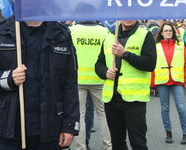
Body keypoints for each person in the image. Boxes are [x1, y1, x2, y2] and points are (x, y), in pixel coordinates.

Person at [0, 16, 79, 149]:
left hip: (50, 130)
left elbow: (70, 84)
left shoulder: (61, 34)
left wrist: (69, 125)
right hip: (8, 129)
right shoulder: (3, 31)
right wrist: (8, 79)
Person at [95, 20, 157, 150]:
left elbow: (150, 64)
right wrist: (105, 72)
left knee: (138, 143)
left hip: (134, 99)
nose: (127, 17)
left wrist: (125, 54)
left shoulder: (145, 35)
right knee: (117, 142)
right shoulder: (110, 36)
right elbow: (98, 64)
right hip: (111, 98)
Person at [70, 20, 111, 150]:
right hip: (99, 78)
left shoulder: (72, 30)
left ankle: (81, 147)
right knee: (103, 114)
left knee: (79, 115)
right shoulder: (104, 31)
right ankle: (108, 146)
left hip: (78, 78)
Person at [152, 22, 186, 145]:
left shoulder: (180, 45)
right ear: (161, 33)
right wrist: (152, 84)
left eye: (170, 30)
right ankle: (168, 133)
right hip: (162, 81)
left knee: (181, 107)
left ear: (174, 32)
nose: (168, 32)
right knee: (165, 108)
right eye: (166, 30)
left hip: (177, 81)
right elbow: (152, 67)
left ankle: (185, 134)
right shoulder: (156, 46)